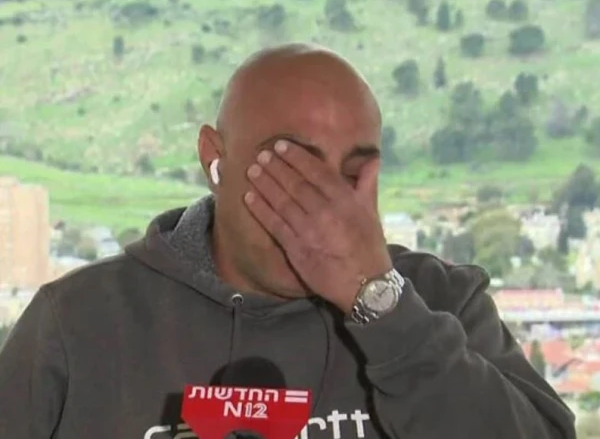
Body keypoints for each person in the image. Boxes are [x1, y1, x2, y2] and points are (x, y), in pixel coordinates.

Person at [0, 43, 576, 439]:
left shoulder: (438, 301)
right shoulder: (79, 325)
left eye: (352, 174)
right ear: (215, 159)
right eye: (292, 170)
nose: (324, 207)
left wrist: (383, 307)